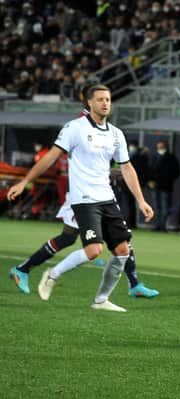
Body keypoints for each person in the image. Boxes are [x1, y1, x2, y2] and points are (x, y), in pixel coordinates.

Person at [7, 84, 154, 312]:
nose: (105, 103)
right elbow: (51, 157)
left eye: (108, 99)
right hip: (84, 199)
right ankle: (52, 275)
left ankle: (101, 300)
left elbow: (127, 168)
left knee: (123, 250)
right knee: (93, 250)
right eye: (100, 99)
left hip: (107, 197)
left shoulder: (116, 134)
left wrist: (141, 200)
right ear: (89, 103)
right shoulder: (74, 128)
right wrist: (25, 181)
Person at [8, 192, 159, 299]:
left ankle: (134, 285)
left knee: (122, 240)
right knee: (68, 238)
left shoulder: (114, 149)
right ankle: (23, 270)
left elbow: (123, 168)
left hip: (103, 196)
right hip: (84, 197)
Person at [149, 140, 180, 231]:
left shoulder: (171, 158)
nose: (160, 149)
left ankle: (163, 226)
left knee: (165, 207)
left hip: (166, 187)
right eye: (158, 147)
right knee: (156, 207)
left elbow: (175, 173)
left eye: (161, 147)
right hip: (155, 186)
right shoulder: (154, 157)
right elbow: (150, 170)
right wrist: (150, 181)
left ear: (165, 147)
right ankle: (157, 225)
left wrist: (165, 180)